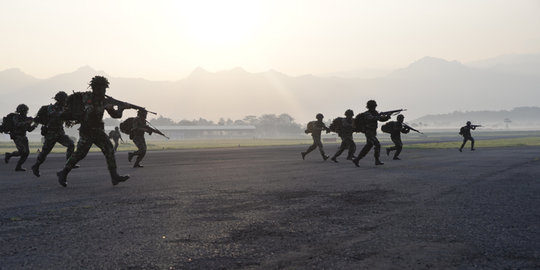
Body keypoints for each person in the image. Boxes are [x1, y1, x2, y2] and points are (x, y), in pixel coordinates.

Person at [56, 76, 129, 187]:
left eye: (104, 89)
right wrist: (106, 106)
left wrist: (121, 108)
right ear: (95, 88)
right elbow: (90, 111)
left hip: (98, 131)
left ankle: (114, 177)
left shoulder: (104, 100)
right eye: (101, 88)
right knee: (80, 154)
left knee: (109, 150)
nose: (103, 91)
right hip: (87, 131)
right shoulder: (87, 97)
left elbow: (116, 115)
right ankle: (63, 173)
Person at [31, 91, 78, 177]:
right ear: (60, 100)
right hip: (51, 134)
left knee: (71, 144)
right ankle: (36, 166)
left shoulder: (64, 108)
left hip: (60, 133)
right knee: (44, 153)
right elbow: (55, 115)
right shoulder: (51, 108)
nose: (65, 101)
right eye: (64, 100)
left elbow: (69, 116)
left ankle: (69, 163)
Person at [353, 100, 390, 166]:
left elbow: (380, 119)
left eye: (375, 106)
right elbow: (372, 118)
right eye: (373, 106)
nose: (374, 107)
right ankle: (377, 160)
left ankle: (357, 159)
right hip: (369, 132)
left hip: (372, 132)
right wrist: (380, 116)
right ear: (369, 107)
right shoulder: (367, 113)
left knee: (368, 146)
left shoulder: (375, 113)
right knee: (377, 144)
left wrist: (387, 117)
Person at [4, 104, 37, 171]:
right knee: (22, 151)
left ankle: (18, 166)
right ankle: (9, 155)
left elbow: (29, 129)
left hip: (24, 137)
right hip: (17, 137)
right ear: (21, 111)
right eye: (25, 111)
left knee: (26, 153)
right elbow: (17, 124)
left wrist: (35, 124)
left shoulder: (26, 118)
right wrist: (27, 122)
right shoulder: (16, 117)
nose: (26, 112)